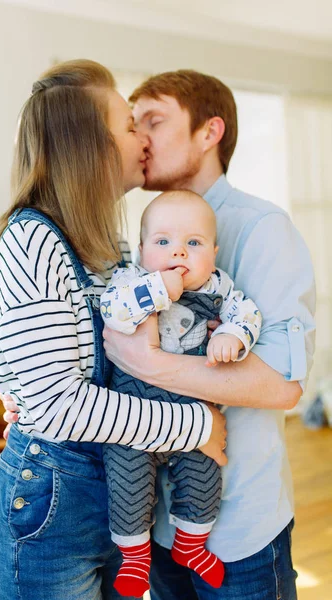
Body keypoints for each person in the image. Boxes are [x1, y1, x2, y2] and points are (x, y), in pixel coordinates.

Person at [0, 59, 227, 600]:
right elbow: (55, 406)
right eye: (128, 124)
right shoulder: (34, 243)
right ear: (90, 143)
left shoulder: (107, 248)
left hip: (109, 489)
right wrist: (193, 427)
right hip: (52, 507)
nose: (142, 137)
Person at [101, 70, 316, 600]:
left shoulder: (263, 227)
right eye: (135, 123)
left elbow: (282, 385)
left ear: (209, 132)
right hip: (156, 527)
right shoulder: (145, 237)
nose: (141, 137)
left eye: (155, 119)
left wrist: (147, 363)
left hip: (239, 526)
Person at [100, 189, 262, 596]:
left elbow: (248, 312)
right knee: (127, 484)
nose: (179, 254)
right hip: (132, 422)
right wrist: (158, 290)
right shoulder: (131, 281)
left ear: (214, 251)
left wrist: (232, 335)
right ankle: (136, 556)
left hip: (194, 422)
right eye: (163, 242)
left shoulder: (217, 286)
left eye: (194, 243)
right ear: (140, 250)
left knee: (205, 477)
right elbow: (114, 312)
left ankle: (191, 544)